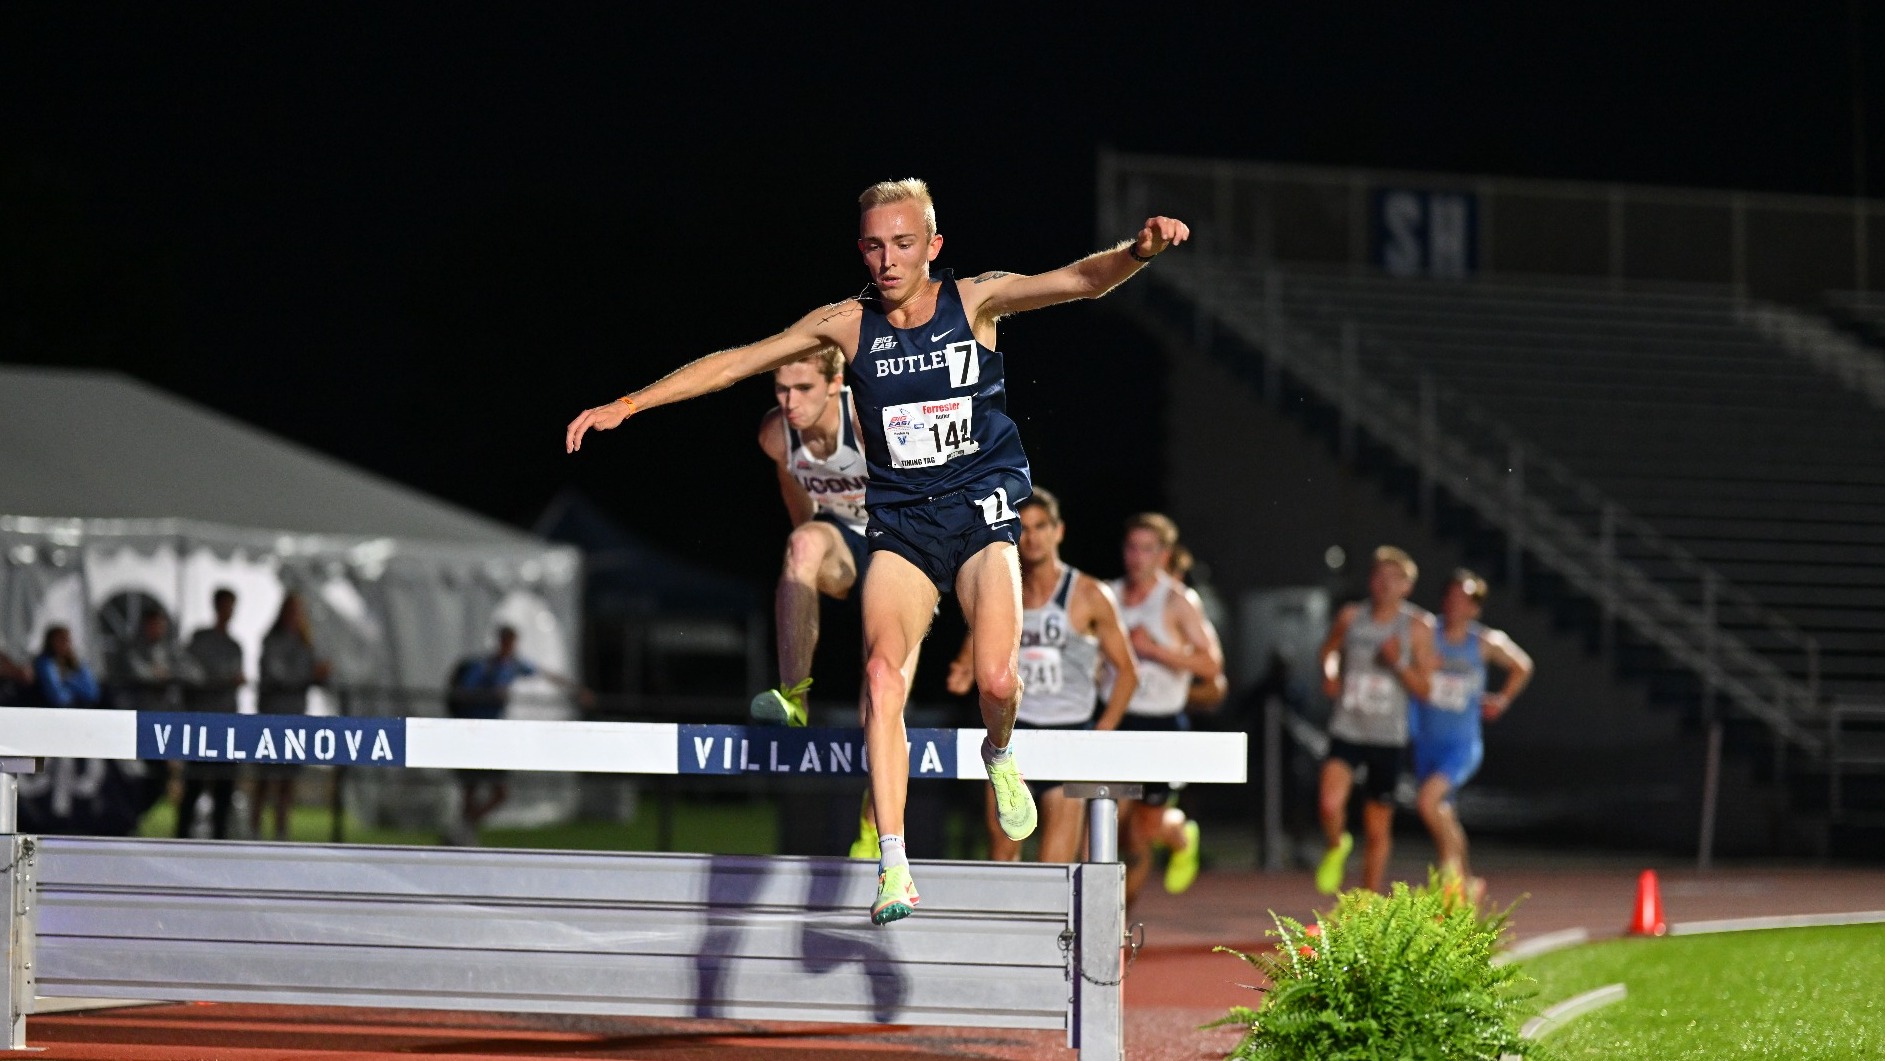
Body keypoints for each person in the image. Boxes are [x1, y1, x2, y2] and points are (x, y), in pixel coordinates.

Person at [566, 177, 1189, 923]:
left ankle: (999, 752)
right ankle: (893, 865)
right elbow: (737, 361)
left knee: (996, 678)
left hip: (979, 513)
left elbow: (1082, 281)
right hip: (900, 522)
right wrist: (628, 403)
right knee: (879, 677)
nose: (887, 260)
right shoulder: (846, 325)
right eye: (872, 245)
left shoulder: (978, 300)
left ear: (933, 246)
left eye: (902, 243)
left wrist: (1138, 253)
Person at [945, 488, 1138, 863]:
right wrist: (964, 670)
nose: (1031, 537)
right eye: (1024, 528)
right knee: (1002, 851)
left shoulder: (1089, 594)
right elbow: (978, 642)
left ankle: (1051, 923)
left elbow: (1128, 671)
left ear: (1058, 531)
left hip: (1070, 734)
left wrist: (1103, 731)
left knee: (1056, 861)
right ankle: (1006, 923)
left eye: (1041, 527)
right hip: (1012, 735)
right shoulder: (1003, 590)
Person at [1103, 513, 1224, 906]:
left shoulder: (1176, 600)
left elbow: (1211, 666)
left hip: (1162, 726)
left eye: (1147, 549)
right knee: (1108, 823)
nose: (1136, 557)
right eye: (1131, 547)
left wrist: (1154, 650)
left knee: (1142, 831)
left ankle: (1118, 924)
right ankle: (1104, 916)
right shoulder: (1106, 594)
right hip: (1116, 720)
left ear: (1163, 554)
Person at [751, 344, 870, 728]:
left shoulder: (865, 422)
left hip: (899, 543)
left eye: (803, 388)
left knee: (882, 678)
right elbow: (795, 493)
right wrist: (801, 561)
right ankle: (794, 698)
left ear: (835, 384)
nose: (790, 402)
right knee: (802, 543)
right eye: (782, 388)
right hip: (844, 542)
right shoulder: (776, 435)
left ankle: (879, 782)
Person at [1314, 545, 1437, 895]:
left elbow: (1426, 689)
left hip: (1387, 736)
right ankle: (1337, 845)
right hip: (1347, 727)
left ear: (1407, 587)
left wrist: (1398, 663)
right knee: (1329, 802)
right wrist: (1330, 672)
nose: (1384, 585)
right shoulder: (1351, 616)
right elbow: (1328, 651)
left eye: (1393, 579)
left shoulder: (1416, 627)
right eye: (1378, 577)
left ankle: (1367, 900)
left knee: (1377, 828)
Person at [1413, 570, 1533, 902]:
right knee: (1443, 812)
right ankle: (1467, 881)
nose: (1455, 604)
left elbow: (1522, 665)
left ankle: (1451, 879)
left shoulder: (1483, 642)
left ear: (1475, 609)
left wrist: (1502, 699)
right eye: (1450, 596)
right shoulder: (1426, 632)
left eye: (1464, 599)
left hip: (1461, 744)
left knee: (1427, 802)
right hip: (1426, 741)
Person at [445, 624, 591, 845]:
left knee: (499, 791)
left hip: (493, 735)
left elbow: (545, 674)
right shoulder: (484, 667)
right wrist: (489, 694)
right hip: (473, 732)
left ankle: (465, 828)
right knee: (471, 788)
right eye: (507, 642)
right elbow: (464, 692)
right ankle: (463, 836)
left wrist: (577, 690)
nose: (510, 647)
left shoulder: (513, 665)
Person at [253, 593, 330, 841]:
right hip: (272, 716)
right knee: (265, 777)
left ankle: (281, 830)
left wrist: (321, 674)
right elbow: (277, 676)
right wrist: (309, 674)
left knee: (288, 779)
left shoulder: (305, 644)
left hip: (296, 718)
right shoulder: (271, 641)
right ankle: (254, 828)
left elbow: (316, 679)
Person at [181, 588, 245, 839]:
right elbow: (193, 676)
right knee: (194, 783)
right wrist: (223, 680)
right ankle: (181, 837)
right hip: (201, 721)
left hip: (227, 722)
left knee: (224, 786)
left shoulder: (234, 646)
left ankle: (220, 838)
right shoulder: (199, 640)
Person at [108, 609, 183, 712]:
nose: (159, 629)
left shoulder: (169, 649)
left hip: (165, 704)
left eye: (162, 625)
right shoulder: (131, 649)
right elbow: (137, 671)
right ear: (146, 625)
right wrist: (156, 674)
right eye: (155, 625)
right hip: (137, 703)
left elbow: (192, 671)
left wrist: (170, 673)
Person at [33, 626, 102, 708]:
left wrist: (68, 681)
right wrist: (77, 692)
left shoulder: (77, 663)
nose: (64, 643)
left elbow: (92, 692)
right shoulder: (45, 663)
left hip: (82, 708)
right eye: (59, 640)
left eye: (66, 639)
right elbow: (57, 696)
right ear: (50, 642)